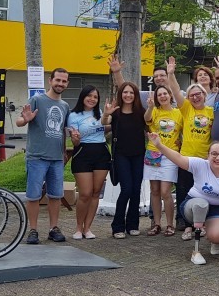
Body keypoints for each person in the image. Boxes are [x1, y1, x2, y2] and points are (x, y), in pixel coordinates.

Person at [149, 137, 219, 265]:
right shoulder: (200, 164)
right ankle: (196, 251)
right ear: (208, 155)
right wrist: (159, 145)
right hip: (194, 205)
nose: (218, 158)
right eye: (214, 154)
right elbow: (178, 158)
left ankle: (213, 238)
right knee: (201, 205)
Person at [16, 68, 70, 245]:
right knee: (33, 195)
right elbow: (19, 120)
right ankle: (33, 230)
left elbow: (63, 131)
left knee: (55, 195)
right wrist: (25, 119)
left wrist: (64, 152)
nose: (60, 83)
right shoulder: (37, 100)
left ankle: (53, 228)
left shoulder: (65, 106)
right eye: (58, 80)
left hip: (56, 158)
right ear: (50, 80)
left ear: (67, 84)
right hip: (37, 157)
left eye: (64, 81)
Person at [67, 85, 111, 240]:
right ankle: (78, 228)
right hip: (82, 153)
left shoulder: (100, 113)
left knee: (96, 193)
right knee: (85, 193)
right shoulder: (73, 115)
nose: (92, 99)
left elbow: (107, 125)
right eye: (89, 96)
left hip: (101, 152)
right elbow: (75, 142)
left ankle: (88, 228)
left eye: (95, 97)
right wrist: (75, 138)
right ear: (83, 96)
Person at [108, 81, 147, 239]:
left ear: (135, 95)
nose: (128, 95)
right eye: (125, 92)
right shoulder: (115, 112)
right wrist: (106, 113)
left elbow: (150, 125)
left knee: (136, 190)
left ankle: (133, 225)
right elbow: (104, 122)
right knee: (126, 189)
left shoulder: (141, 112)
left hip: (138, 155)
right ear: (121, 94)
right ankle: (117, 226)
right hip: (121, 155)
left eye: (131, 92)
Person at [174, 83, 214, 233]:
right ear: (188, 98)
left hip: (204, 159)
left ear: (204, 95)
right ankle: (183, 220)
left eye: (198, 94)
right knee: (183, 189)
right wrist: (170, 74)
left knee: (203, 190)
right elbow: (176, 91)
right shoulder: (186, 109)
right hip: (186, 158)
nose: (195, 97)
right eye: (192, 95)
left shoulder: (211, 112)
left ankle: (201, 221)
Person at [144, 85, 182, 236]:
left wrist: (181, 142)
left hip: (170, 154)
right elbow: (146, 119)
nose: (162, 96)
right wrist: (150, 107)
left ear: (170, 95)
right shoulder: (154, 110)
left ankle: (170, 224)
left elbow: (184, 130)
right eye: (159, 95)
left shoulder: (178, 113)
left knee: (166, 191)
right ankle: (157, 224)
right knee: (154, 191)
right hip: (153, 153)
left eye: (165, 93)